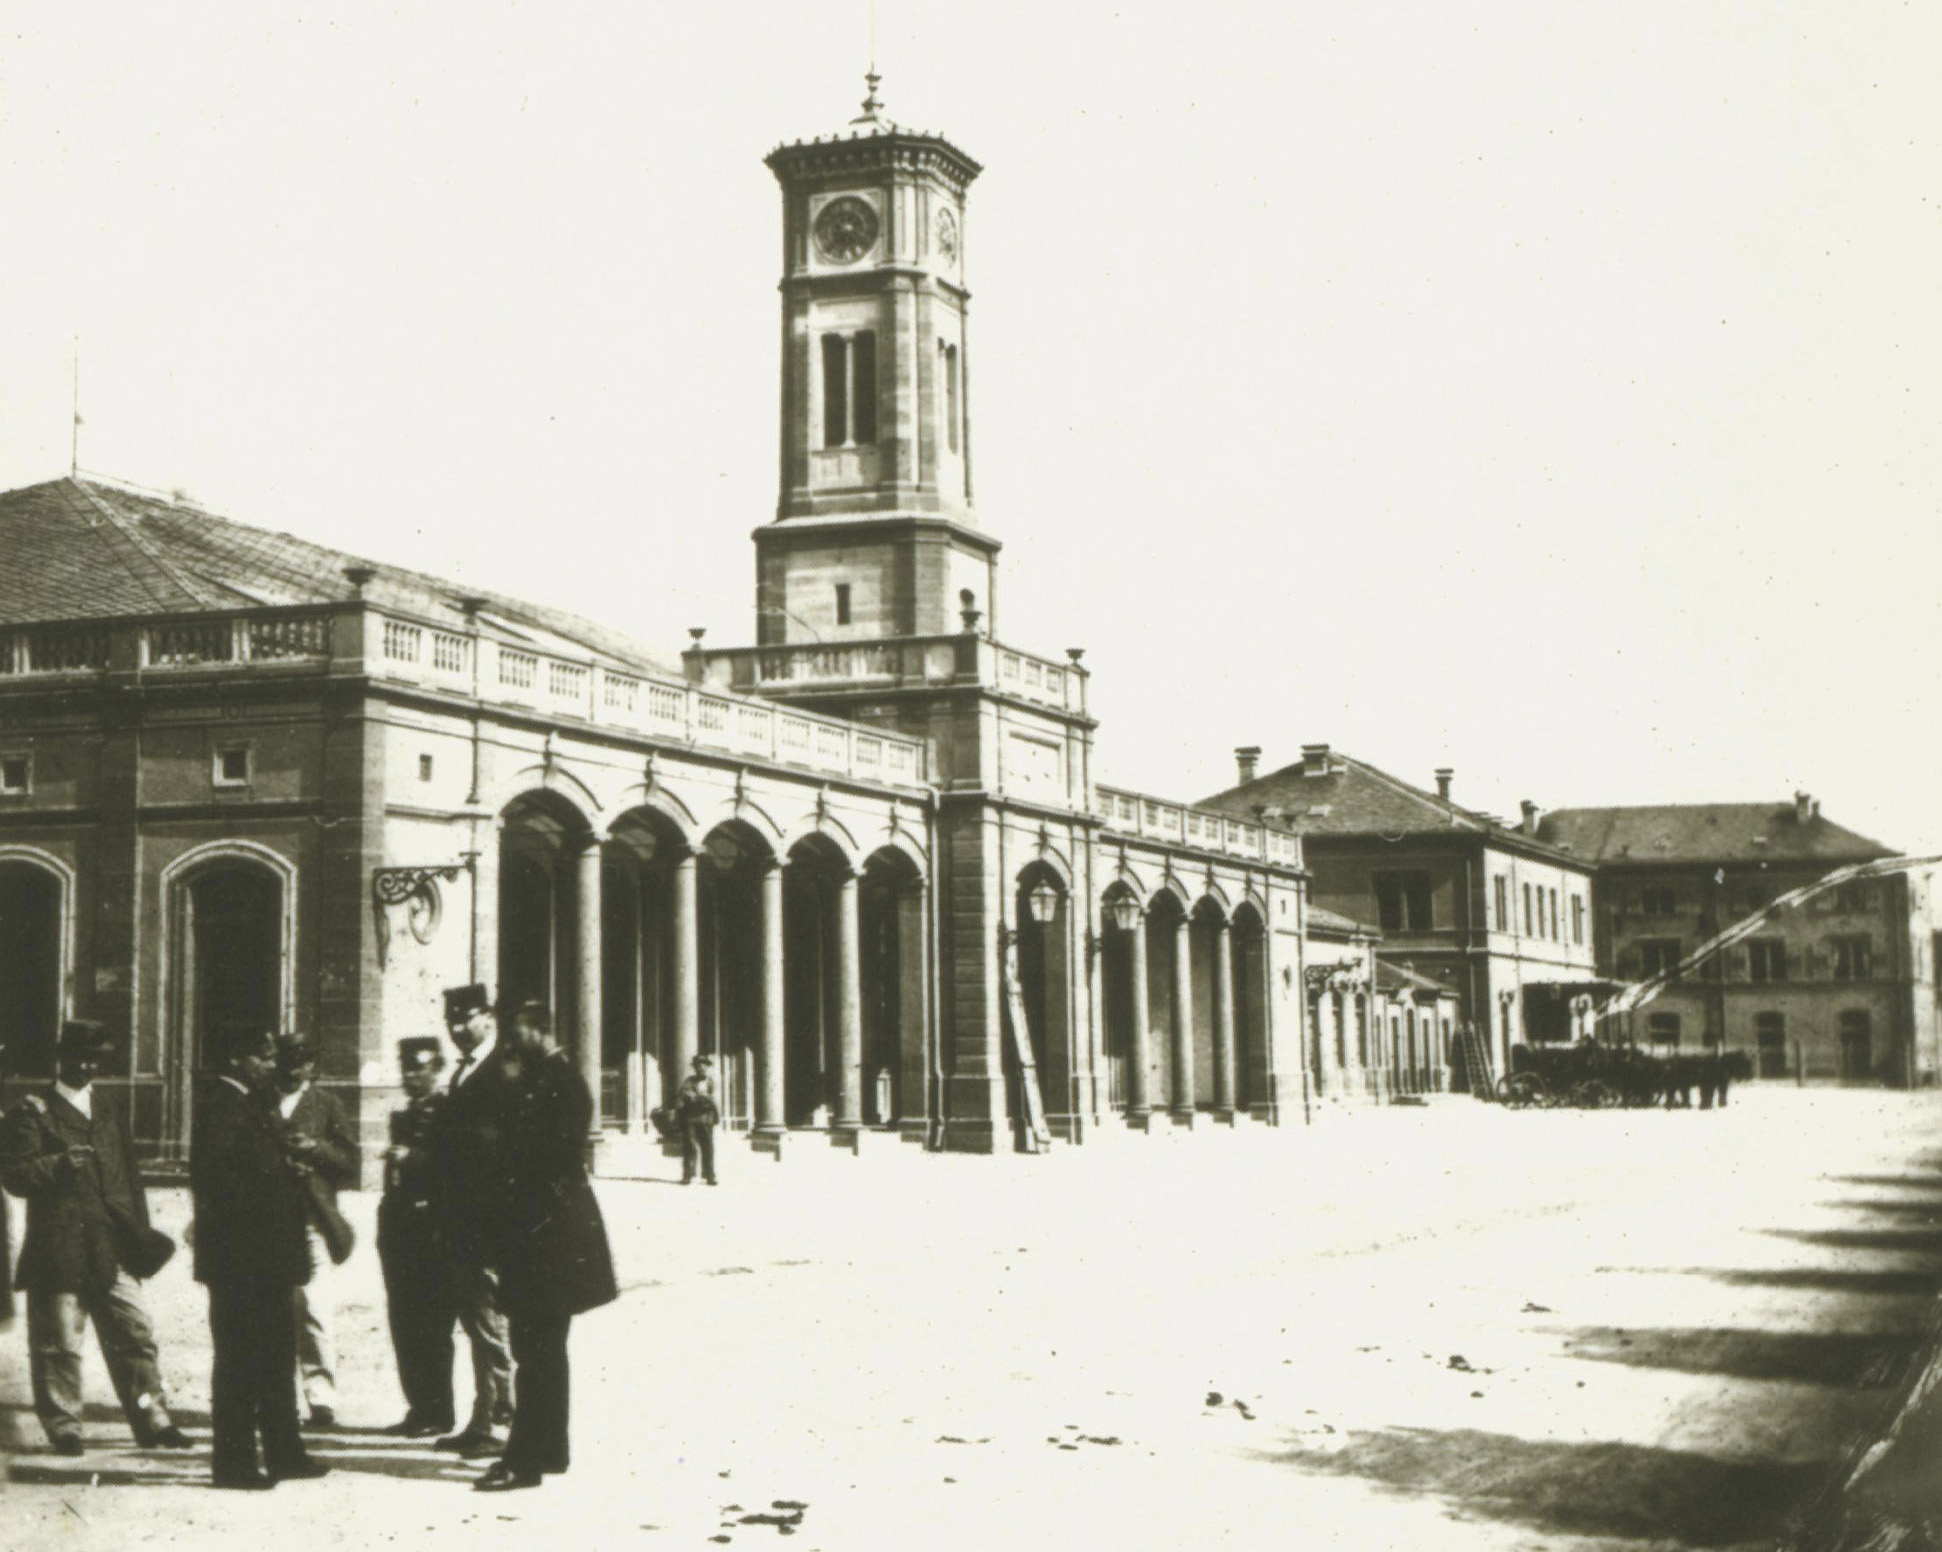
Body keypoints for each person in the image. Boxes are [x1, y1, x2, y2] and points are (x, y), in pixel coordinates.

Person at [0, 1019, 190, 1455]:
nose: (87, 1066)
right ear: (60, 1057)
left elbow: (131, 1178)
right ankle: (65, 1428)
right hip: (58, 1246)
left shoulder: (107, 1107)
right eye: (79, 1057)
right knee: (59, 1346)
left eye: (95, 1059)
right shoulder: (31, 1111)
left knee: (136, 1334)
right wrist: (59, 1165)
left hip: (112, 1246)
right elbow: (14, 1175)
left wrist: (139, 1235)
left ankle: (154, 1420)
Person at [473, 1002, 616, 1492]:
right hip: (548, 1236)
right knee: (546, 1350)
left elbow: (543, 1162)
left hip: (546, 1239)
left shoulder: (560, 1085)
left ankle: (523, 1461)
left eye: (517, 1035)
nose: (511, 1046)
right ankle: (550, 1450)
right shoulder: (548, 1081)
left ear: (539, 1031)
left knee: (533, 1351)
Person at [190, 1026, 328, 1489]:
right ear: (237, 1058)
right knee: (238, 1361)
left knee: (275, 1357)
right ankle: (234, 1464)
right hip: (240, 1260)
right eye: (263, 1056)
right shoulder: (222, 1104)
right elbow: (222, 1185)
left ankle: (285, 1453)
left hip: (265, 1258)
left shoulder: (253, 1101)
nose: (272, 1064)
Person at [430, 983, 516, 1458]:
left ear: (488, 1017)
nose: (459, 1029)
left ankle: (501, 1421)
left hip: (487, 1223)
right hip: (461, 1219)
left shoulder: (500, 1069)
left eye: (467, 1019)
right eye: (452, 1022)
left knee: (491, 1324)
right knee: (475, 1321)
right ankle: (482, 1417)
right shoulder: (465, 1072)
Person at [275, 1034, 359, 1429]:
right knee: (272, 1310)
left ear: (312, 1067)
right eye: (286, 1060)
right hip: (270, 1220)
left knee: (313, 1308)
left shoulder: (327, 1105)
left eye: (301, 1061)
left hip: (311, 1219)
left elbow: (349, 1163)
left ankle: (321, 1398)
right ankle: (275, 1399)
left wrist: (316, 1150)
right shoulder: (261, 1101)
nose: (293, 1068)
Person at [378, 1036, 455, 1437]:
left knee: (433, 1324)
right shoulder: (404, 1116)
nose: (410, 1076)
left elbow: (454, 1167)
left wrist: (412, 1159)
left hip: (431, 1232)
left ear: (437, 1068)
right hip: (399, 1230)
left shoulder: (448, 1113)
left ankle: (439, 1411)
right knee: (404, 1321)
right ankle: (419, 1406)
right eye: (406, 1067)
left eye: (419, 1067)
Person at [677, 1053, 721, 1186]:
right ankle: (688, 1175)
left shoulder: (711, 1081)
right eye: (699, 1067)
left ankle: (709, 1175)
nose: (702, 1069)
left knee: (708, 1147)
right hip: (692, 1118)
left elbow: (713, 1099)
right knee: (690, 1146)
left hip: (706, 1119)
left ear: (707, 1068)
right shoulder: (690, 1081)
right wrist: (699, 1098)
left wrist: (702, 1098)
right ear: (695, 1068)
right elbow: (685, 1094)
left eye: (704, 1067)